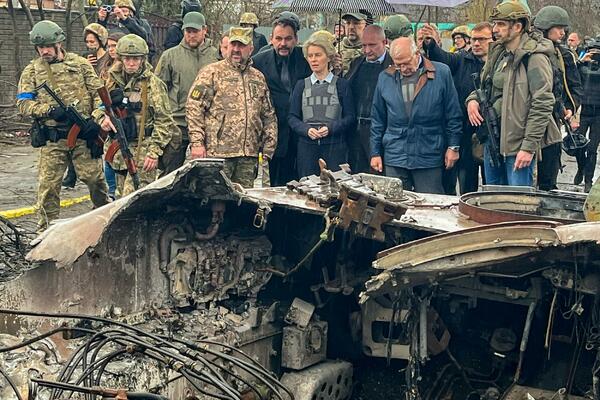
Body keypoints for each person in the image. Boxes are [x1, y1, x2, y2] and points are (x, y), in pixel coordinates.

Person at [17, 20, 109, 232]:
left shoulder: (80, 64)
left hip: (83, 136)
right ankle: (45, 233)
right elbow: (23, 104)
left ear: (59, 44)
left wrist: (95, 120)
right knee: (48, 188)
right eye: (41, 47)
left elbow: (100, 95)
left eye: (49, 46)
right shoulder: (32, 71)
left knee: (95, 180)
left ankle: (106, 220)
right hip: (53, 139)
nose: (45, 51)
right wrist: (47, 111)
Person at [466, 1, 559, 187]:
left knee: (516, 206)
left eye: (501, 24)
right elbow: (484, 87)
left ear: (517, 27)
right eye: (495, 24)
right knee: (492, 202)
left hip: (518, 146)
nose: (495, 29)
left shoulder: (535, 58)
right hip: (493, 139)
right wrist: (472, 100)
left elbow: (543, 103)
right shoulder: (499, 53)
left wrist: (528, 147)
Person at [186, 27, 277, 188]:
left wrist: (269, 147)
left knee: (244, 203)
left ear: (251, 48)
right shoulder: (212, 72)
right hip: (218, 154)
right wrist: (197, 143)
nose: (236, 49)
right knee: (214, 199)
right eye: (233, 45)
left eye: (241, 46)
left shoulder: (258, 77)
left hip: (248, 155)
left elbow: (268, 114)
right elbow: (194, 107)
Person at [370, 37, 462, 194]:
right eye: (398, 64)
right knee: (394, 206)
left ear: (417, 53)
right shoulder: (385, 78)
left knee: (430, 206)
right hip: (395, 153)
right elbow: (378, 119)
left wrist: (453, 146)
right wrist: (375, 152)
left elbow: (453, 114)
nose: (403, 68)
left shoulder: (441, 73)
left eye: (406, 62)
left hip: (429, 153)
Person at [96, 34, 176, 196]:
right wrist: (101, 119)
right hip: (118, 152)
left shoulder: (152, 84)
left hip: (142, 150)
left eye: (136, 59)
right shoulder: (110, 80)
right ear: (120, 58)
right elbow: (97, 106)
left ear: (143, 59)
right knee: (119, 198)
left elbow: (164, 121)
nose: (131, 63)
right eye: (127, 59)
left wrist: (154, 152)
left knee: (133, 198)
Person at [421, 22, 494, 194]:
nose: (476, 43)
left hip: (490, 130)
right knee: (466, 182)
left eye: (482, 39)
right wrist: (431, 44)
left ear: (493, 40)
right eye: (474, 39)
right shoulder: (462, 58)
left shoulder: (499, 63)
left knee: (491, 184)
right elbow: (442, 59)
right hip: (464, 130)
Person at [252, 12, 311, 186]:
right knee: (273, 181)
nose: (283, 44)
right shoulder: (258, 62)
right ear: (271, 39)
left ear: (296, 39)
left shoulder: (307, 59)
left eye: (288, 38)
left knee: (300, 180)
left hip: (301, 132)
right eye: (279, 38)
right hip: (273, 133)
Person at [156, 12, 218, 175]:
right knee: (170, 173)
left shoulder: (215, 56)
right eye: (188, 31)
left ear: (205, 30)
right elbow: (158, 90)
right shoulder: (170, 56)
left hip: (207, 124)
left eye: (195, 31)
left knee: (206, 173)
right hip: (177, 123)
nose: (191, 35)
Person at [288, 34, 356, 177]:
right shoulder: (301, 85)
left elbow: (350, 117)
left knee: (336, 190)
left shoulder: (342, 85)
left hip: (335, 147)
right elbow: (292, 117)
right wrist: (306, 130)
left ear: (329, 56)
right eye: (310, 56)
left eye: (318, 55)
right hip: (307, 148)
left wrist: (331, 128)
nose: (313, 59)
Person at [533, 6, 583, 191]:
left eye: (564, 28)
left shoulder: (564, 55)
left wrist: (570, 107)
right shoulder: (529, 50)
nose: (562, 32)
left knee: (547, 179)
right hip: (529, 119)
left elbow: (575, 87)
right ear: (546, 27)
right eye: (558, 27)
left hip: (553, 121)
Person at [62, 22, 113, 189]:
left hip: (102, 104)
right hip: (86, 106)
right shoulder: (84, 60)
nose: (90, 45)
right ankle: (72, 172)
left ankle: (102, 184)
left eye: (93, 41)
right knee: (73, 140)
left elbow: (106, 82)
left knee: (97, 145)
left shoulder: (109, 59)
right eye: (88, 42)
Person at [345, 25, 393, 173]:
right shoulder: (356, 63)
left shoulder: (394, 66)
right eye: (364, 45)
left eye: (372, 45)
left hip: (381, 132)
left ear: (384, 42)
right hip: (356, 132)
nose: (366, 50)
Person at [574, 39, 600, 192]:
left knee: (592, 148)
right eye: (593, 51)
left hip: (598, 114)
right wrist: (581, 62)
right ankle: (581, 168)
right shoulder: (582, 64)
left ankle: (588, 181)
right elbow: (571, 77)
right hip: (583, 110)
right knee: (578, 146)